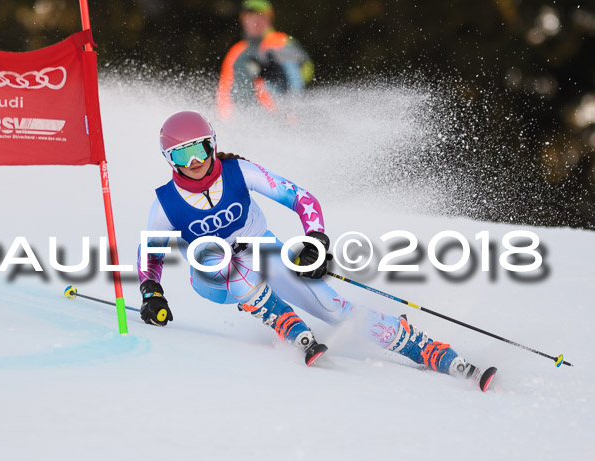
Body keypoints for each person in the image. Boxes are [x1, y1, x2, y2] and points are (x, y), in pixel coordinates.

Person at [137, 111, 497, 390]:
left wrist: (316, 240)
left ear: (212, 143)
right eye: (182, 154)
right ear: (169, 159)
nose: (194, 160)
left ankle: (428, 350)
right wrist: (151, 293)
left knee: (334, 308)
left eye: (199, 147)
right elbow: (149, 253)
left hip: (263, 251)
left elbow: (300, 197)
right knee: (218, 258)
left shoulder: (238, 171)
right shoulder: (165, 203)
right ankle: (286, 323)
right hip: (213, 277)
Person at [216, 0, 314, 119]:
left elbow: (305, 70)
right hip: (244, 119)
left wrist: (292, 108)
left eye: (261, 16)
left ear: (269, 19)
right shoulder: (237, 51)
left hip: (278, 116)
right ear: (243, 19)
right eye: (251, 17)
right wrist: (226, 118)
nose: (256, 21)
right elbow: (225, 87)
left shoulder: (281, 42)